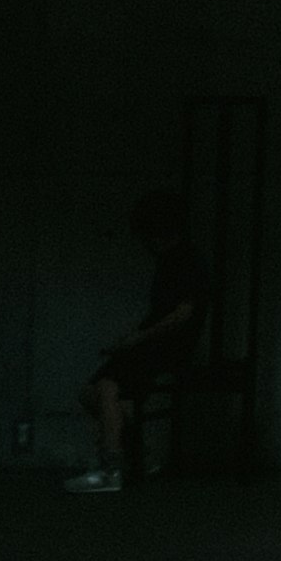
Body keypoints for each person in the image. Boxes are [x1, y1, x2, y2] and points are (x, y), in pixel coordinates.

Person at [62, 189, 213, 498]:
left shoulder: (184, 261)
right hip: (152, 343)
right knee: (92, 393)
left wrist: (139, 338)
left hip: (165, 346)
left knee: (106, 388)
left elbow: (184, 313)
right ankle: (130, 454)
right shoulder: (171, 261)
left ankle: (111, 468)